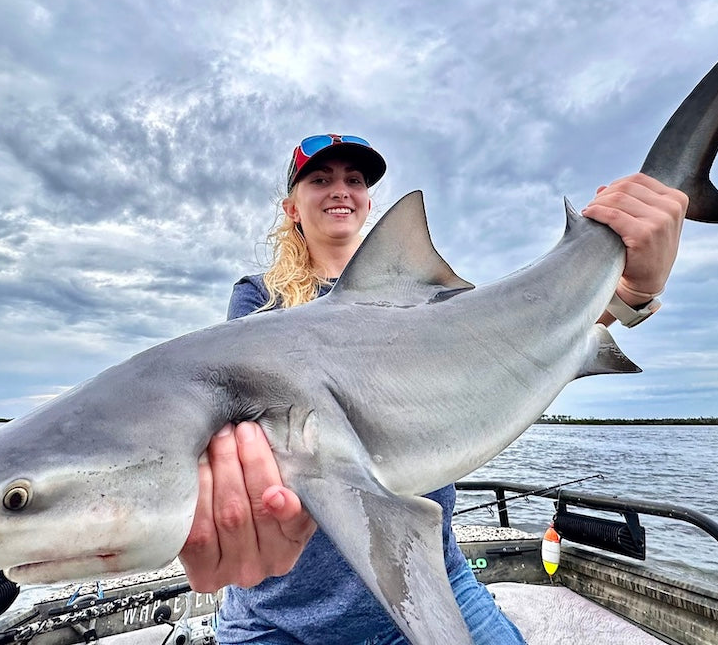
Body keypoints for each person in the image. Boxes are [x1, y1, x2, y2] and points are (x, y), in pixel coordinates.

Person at [178, 133, 689, 644]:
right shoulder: (259, 301)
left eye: (354, 180)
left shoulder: (425, 300)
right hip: (278, 614)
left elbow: (516, 343)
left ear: (369, 202)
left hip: (429, 577)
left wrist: (630, 294)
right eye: (321, 179)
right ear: (292, 207)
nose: (341, 190)